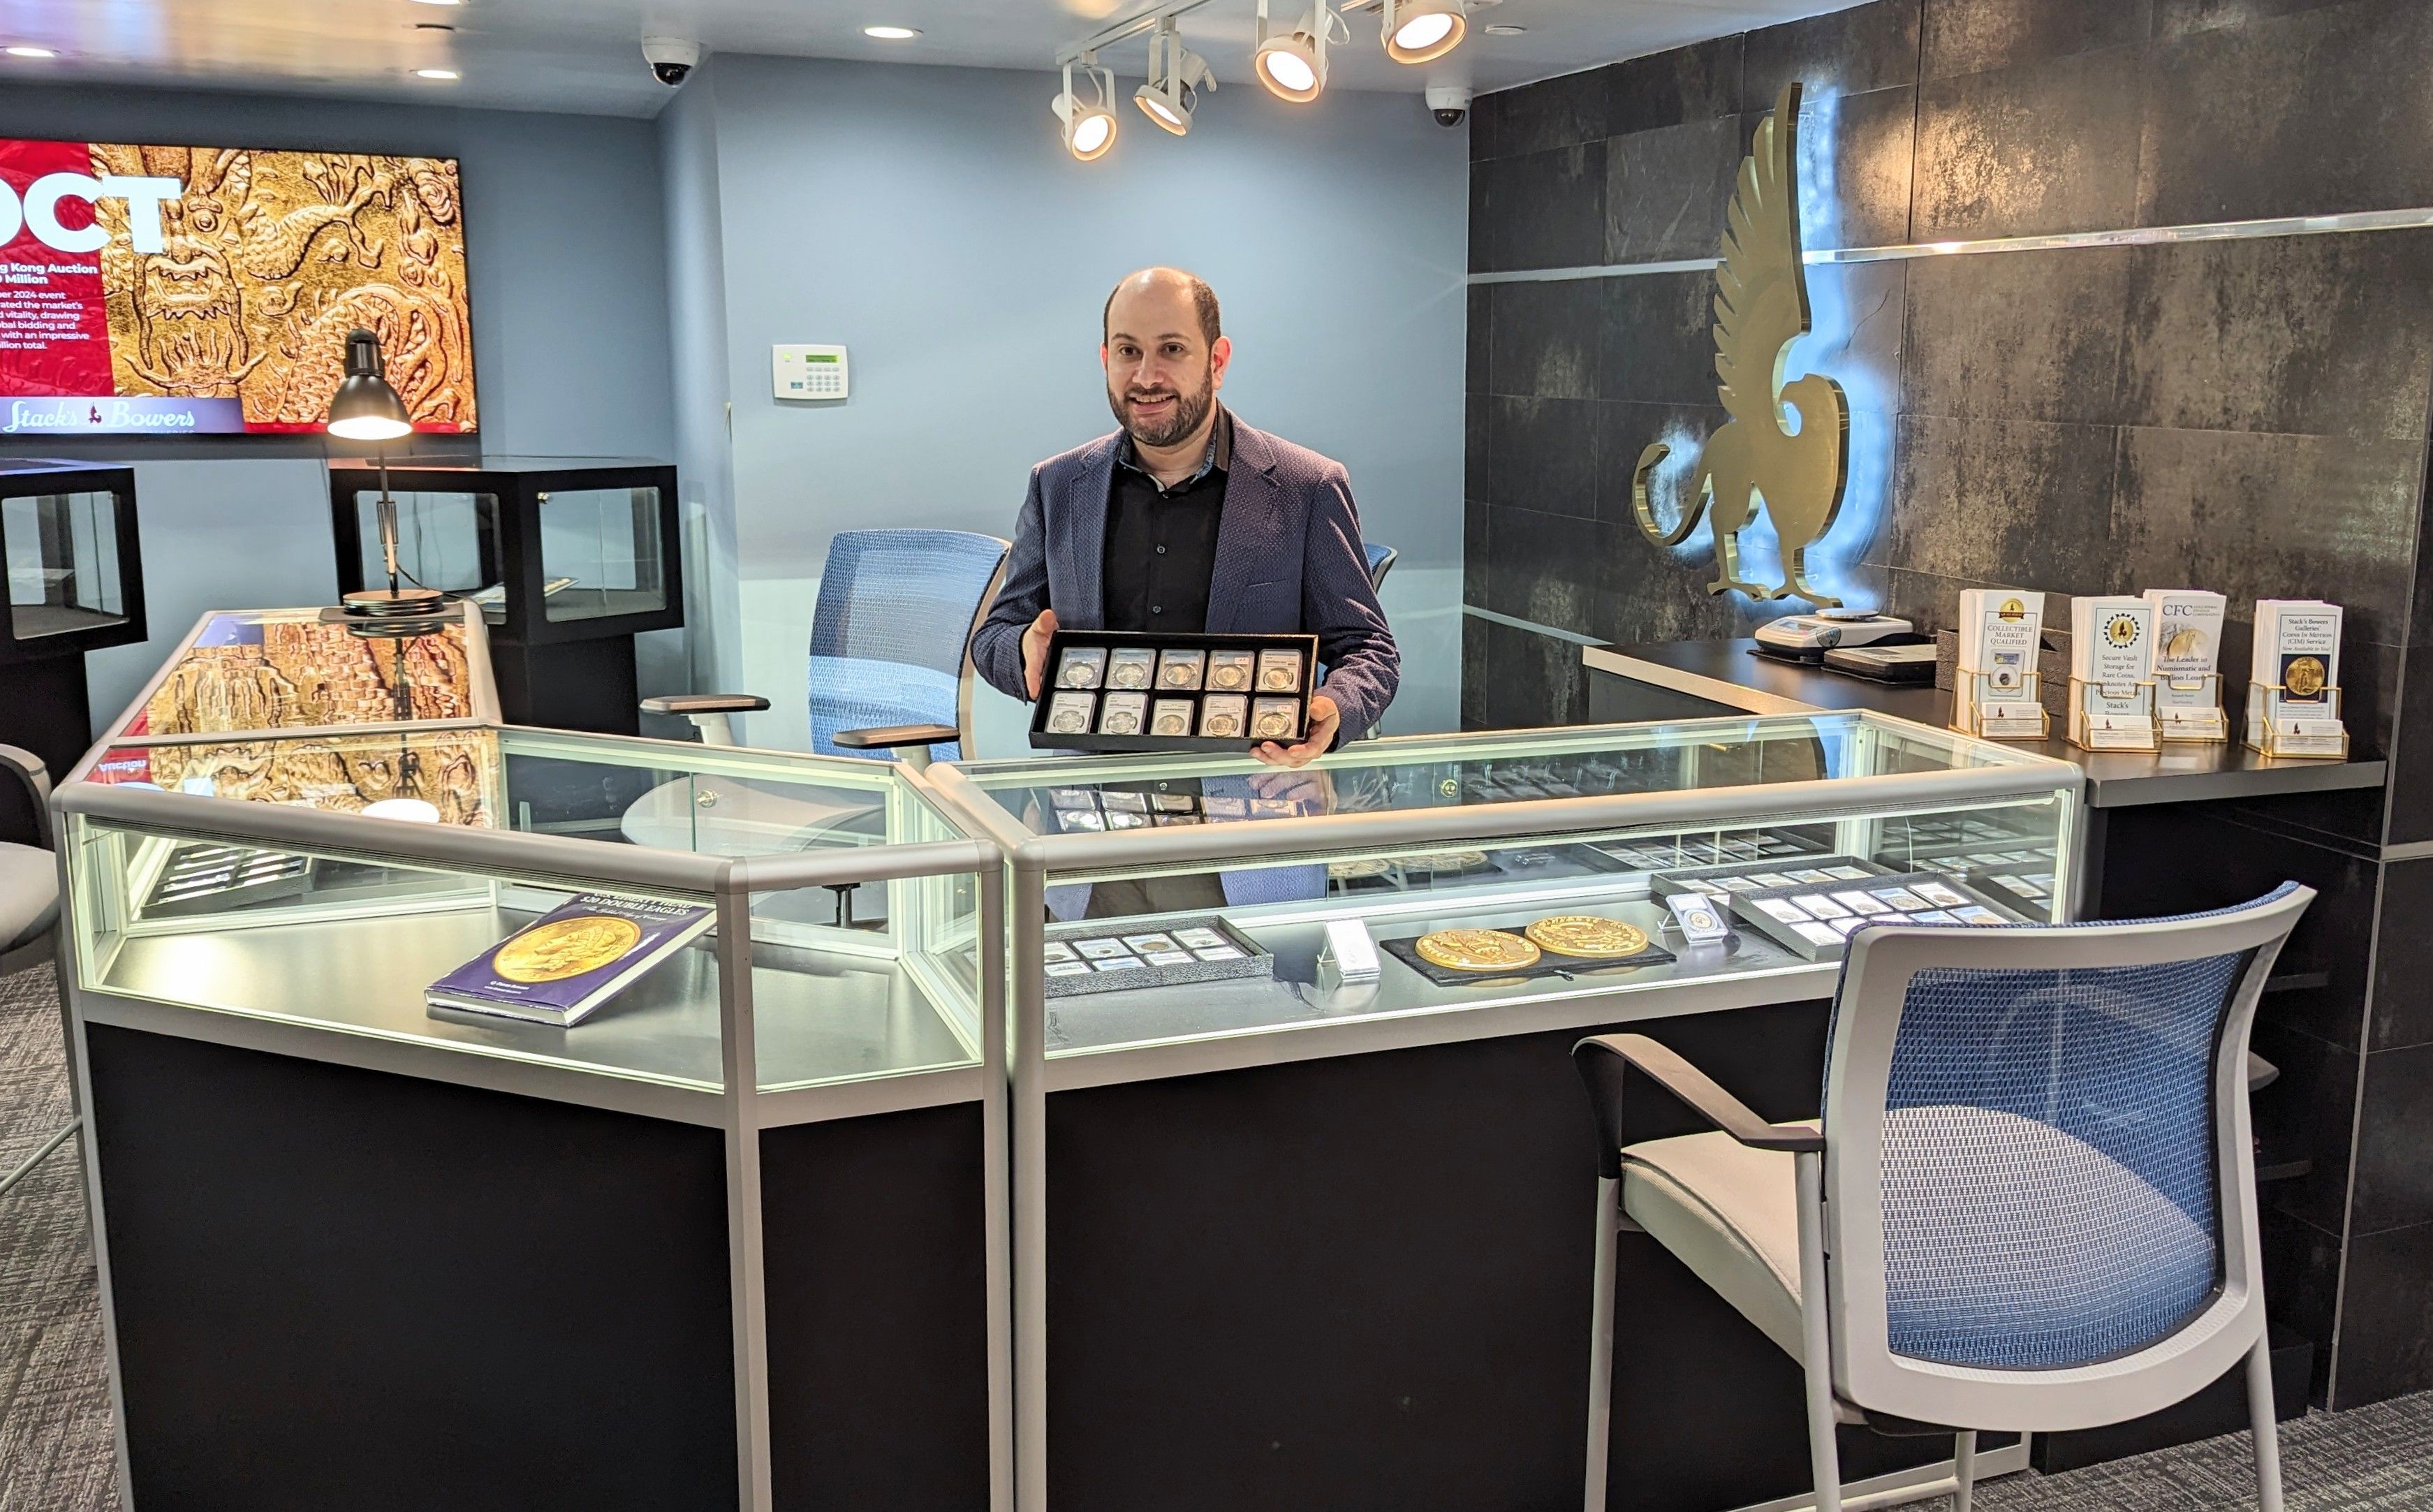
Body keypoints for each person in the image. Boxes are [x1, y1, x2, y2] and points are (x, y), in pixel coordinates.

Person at [971, 266, 1398, 767]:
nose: (1147, 376)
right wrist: (1022, 649)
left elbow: (1370, 649)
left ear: (1217, 361)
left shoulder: (1308, 486)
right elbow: (996, 633)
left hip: (1250, 795)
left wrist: (1334, 705)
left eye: (1172, 349)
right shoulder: (1058, 485)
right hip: (1088, 803)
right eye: (1129, 351)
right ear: (1106, 359)